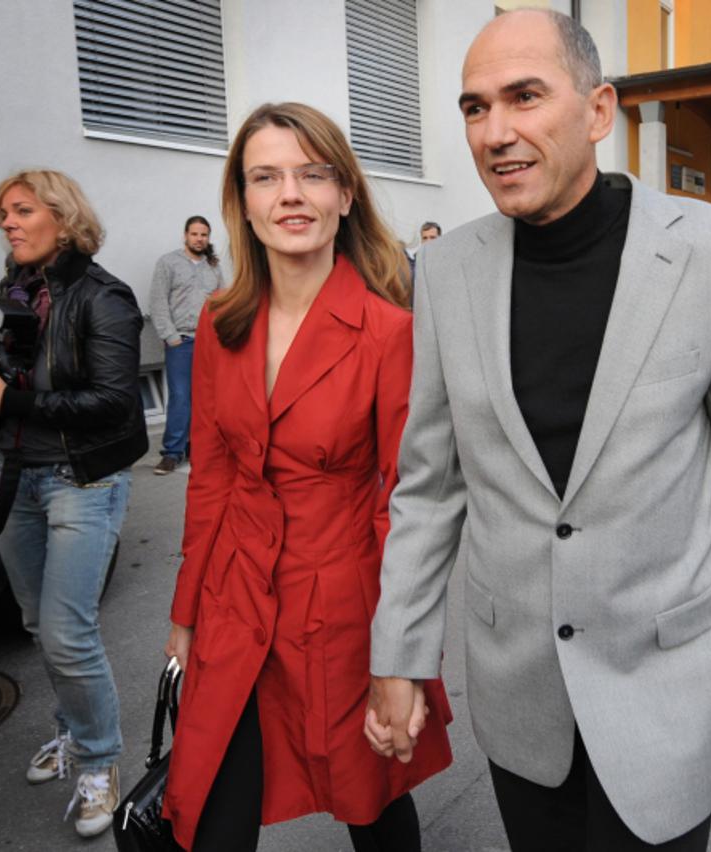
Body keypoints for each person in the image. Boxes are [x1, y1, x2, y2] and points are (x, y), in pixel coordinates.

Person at [366, 10, 711, 851]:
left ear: (599, 110)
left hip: (665, 676)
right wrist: (398, 655)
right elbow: (427, 486)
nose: (496, 132)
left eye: (525, 97)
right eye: (474, 107)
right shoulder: (447, 272)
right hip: (519, 688)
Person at [161, 102, 452, 852]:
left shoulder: (391, 332)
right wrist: (186, 615)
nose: (289, 194)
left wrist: (402, 655)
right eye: (266, 177)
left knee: (371, 801)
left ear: (345, 195)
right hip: (234, 596)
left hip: (343, 607)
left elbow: (403, 502)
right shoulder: (222, 321)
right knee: (206, 809)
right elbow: (212, 481)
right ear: (245, 203)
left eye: (311, 174)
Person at [0, 169, 148, 838]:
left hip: (82, 480)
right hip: (14, 475)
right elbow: (27, 376)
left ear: (63, 216)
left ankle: (102, 762)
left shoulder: (104, 296)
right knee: (37, 624)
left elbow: (113, 401)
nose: (8, 223)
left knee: (67, 632)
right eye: (4, 214)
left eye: (21, 210)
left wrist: (10, 399)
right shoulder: (18, 293)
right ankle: (73, 732)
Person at [149, 215, 225, 475]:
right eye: (195, 234)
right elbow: (158, 302)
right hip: (181, 340)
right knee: (181, 397)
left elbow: (222, 302)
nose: (199, 239)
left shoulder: (213, 267)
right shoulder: (168, 263)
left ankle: (198, 448)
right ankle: (172, 452)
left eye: (204, 234)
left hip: (209, 342)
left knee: (206, 399)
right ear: (185, 235)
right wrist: (170, 336)